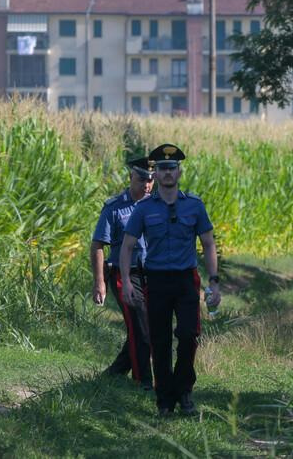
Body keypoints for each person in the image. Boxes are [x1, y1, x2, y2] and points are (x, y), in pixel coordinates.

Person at [120, 144, 221, 416]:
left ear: (179, 171)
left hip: (186, 280)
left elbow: (209, 243)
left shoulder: (194, 206)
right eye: (162, 168)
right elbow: (127, 246)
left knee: (188, 336)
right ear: (157, 173)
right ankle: (165, 400)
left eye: (171, 168)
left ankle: (184, 390)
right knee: (160, 342)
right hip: (157, 281)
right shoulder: (143, 209)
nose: (167, 173)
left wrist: (214, 281)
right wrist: (127, 282)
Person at [90, 157, 155, 390]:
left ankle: (115, 373)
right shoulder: (115, 207)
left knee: (148, 327)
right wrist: (99, 282)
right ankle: (144, 382)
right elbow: (98, 244)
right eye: (142, 180)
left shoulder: (157, 205)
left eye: (150, 180)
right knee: (140, 328)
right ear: (130, 178)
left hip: (152, 275)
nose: (147, 186)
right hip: (124, 274)